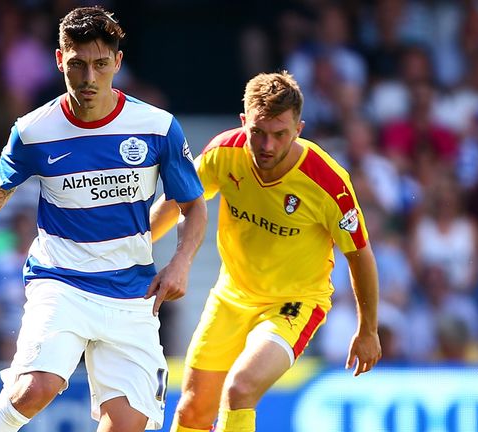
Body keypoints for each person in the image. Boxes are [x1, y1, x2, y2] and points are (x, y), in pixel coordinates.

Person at [0, 6, 207, 432]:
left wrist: (182, 261)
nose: (89, 79)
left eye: (100, 65)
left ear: (117, 63)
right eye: (77, 65)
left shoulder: (157, 127)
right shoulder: (34, 129)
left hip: (131, 290)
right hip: (61, 280)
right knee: (35, 388)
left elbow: (192, 205)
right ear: (60, 60)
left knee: (128, 424)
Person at [150, 71, 381, 432]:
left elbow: (360, 255)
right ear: (244, 122)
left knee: (240, 389)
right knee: (192, 411)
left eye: (280, 134)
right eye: (258, 132)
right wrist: (132, 244)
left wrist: (368, 330)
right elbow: (179, 201)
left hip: (294, 304)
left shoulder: (328, 183)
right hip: (231, 297)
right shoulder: (223, 153)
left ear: (299, 129)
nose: (267, 145)